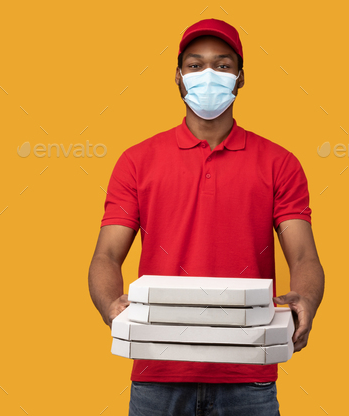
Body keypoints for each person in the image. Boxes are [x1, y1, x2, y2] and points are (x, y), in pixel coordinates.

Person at [88, 18, 325, 416]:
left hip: (249, 370)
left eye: (223, 64)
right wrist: (111, 306)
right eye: (195, 65)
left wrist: (307, 299)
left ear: (241, 78)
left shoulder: (279, 163)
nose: (208, 75)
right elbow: (106, 256)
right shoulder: (137, 161)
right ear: (178, 78)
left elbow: (303, 257)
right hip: (157, 371)